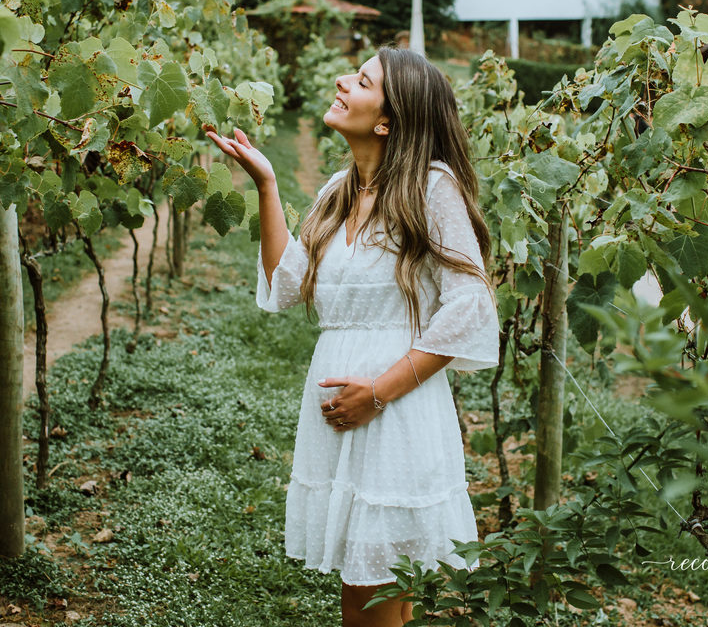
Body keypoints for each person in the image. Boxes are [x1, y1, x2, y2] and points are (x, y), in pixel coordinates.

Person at [206, 47, 499, 627]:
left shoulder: (430, 187)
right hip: (347, 409)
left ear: (389, 119)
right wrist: (266, 185)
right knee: (370, 590)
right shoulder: (339, 191)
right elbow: (288, 283)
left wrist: (380, 392)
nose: (342, 80)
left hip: (395, 411)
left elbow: (470, 306)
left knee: (371, 593)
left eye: (361, 80)